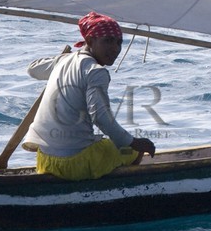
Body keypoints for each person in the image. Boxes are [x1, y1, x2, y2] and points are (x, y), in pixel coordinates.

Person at [24, 12, 157, 179]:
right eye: (107, 41)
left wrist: (64, 58)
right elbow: (101, 117)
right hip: (75, 163)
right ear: (89, 41)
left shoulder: (64, 61)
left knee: (105, 144)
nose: (115, 48)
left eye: (119, 42)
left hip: (46, 159)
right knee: (132, 152)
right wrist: (134, 142)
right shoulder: (96, 72)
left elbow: (33, 69)